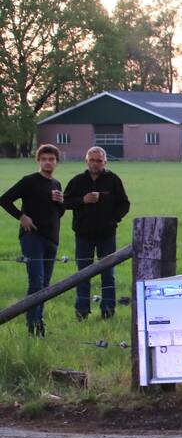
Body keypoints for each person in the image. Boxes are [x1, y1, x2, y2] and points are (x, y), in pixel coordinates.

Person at [0, 144, 65, 336]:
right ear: (39, 161)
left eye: (51, 159)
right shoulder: (29, 181)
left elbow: (58, 213)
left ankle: (39, 322)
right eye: (44, 159)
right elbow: (4, 200)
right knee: (36, 282)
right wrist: (22, 217)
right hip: (32, 237)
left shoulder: (56, 184)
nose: (48, 162)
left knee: (45, 285)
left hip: (52, 238)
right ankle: (33, 325)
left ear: (56, 162)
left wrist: (60, 202)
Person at [64, 146, 130, 320]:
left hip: (107, 235)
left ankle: (108, 310)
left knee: (108, 274)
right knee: (83, 274)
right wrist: (82, 200)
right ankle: (82, 311)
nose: (95, 164)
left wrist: (113, 220)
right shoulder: (78, 181)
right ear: (86, 161)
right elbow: (65, 202)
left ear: (105, 162)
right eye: (92, 160)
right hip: (83, 235)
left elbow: (124, 204)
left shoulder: (113, 180)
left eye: (99, 161)